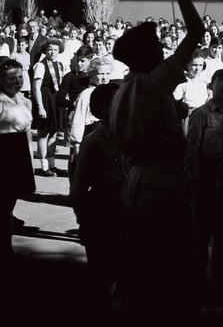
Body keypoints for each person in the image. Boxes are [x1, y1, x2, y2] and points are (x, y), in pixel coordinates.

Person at [109, 0, 204, 323]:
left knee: (142, 258)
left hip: (138, 178)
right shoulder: (150, 84)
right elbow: (196, 32)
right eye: (161, 50)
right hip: (161, 181)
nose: (167, 53)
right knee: (173, 263)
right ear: (149, 56)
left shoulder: (125, 88)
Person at [185, 69, 223, 289]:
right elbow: (191, 147)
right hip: (205, 174)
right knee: (202, 229)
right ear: (212, 85)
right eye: (222, 81)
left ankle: (220, 277)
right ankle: (197, 277)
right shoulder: (201, 114)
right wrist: (193, 176)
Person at [69, 83, 125, 302]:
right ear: (101, 109)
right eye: (116, 103)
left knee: (127, 269)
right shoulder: (93, 142)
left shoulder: (133, 135)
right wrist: (83, 220)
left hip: (129, 207)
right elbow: (79, 186)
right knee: (102, 271)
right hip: (103, 208)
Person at [0, 59, 35, 264]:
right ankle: (5, 250)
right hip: (3, 152)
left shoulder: (23, 99)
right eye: (11, 78)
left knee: (9, 205)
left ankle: (6, 246)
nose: (18, 81)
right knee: (3, 207)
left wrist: (29, 157)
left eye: (20, 77)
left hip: (18, 151)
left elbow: (27, 132)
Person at [31, 39, 65, 176]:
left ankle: (52, 164)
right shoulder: (41, 65)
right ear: (45, 50)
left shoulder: (60, 65)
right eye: (50, 49)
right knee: (43, 133)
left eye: (56, 50)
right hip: (44, 100)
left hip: (55, 100)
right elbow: (36, 88)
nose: (52, 52)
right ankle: (44, 166)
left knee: (54, 133)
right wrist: (40, 107)